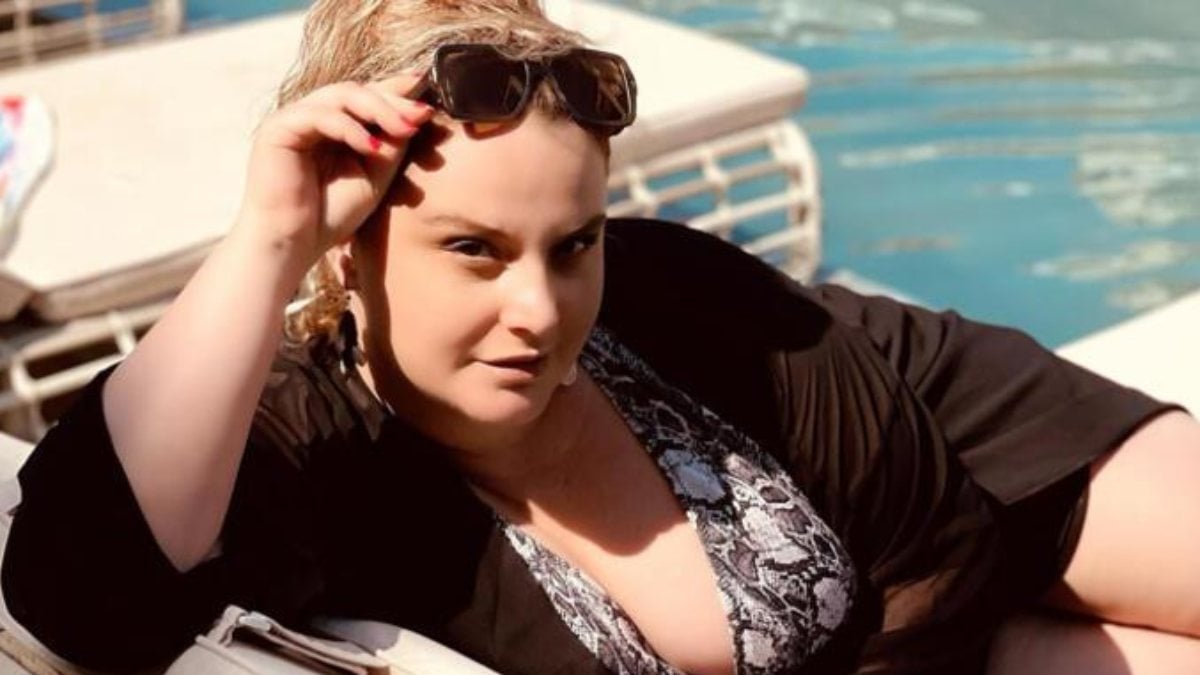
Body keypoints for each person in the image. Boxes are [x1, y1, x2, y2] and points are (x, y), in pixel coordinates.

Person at [4, 1, 1200, 673]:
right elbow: (75, 598)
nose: (540, 309)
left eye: (574, 244)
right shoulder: (314, 445)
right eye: (474, 250)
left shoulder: (675, 292)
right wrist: (269, 236)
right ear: (350, 246)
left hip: (954, 456)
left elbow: (922, 517)